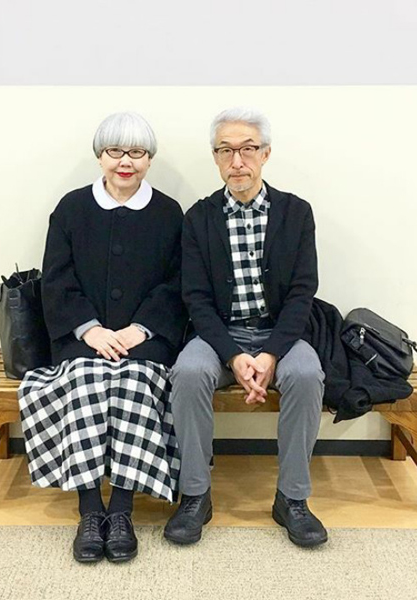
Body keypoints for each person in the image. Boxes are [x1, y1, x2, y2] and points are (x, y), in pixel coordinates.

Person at [18, 112, 186, 564]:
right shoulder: (72, 208)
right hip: (81, 336)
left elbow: (176, 284)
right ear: (100, 156)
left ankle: (123, 511)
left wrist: (139, 329)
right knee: (86, 381)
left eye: (136, 152)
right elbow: (57, 278)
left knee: (133, 384)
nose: (125, 162)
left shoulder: (169, 213)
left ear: (149, 159)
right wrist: (89, 330)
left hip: (145, 338)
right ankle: (91, 510)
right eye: (115, 151)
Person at [164, 107, 327, 548]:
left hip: (281, 335)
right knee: (188, 372)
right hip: (218, 335)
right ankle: (195, 494)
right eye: (226, 151)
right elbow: (195, 298)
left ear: (265, 154)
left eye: (247, 149)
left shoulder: (296, 213)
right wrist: (234, 356)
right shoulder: (199, 218)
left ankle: (292, 498)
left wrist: (271, 353)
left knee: (307, 374)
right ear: (216, 158)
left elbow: (302, 292)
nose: (237, 161)